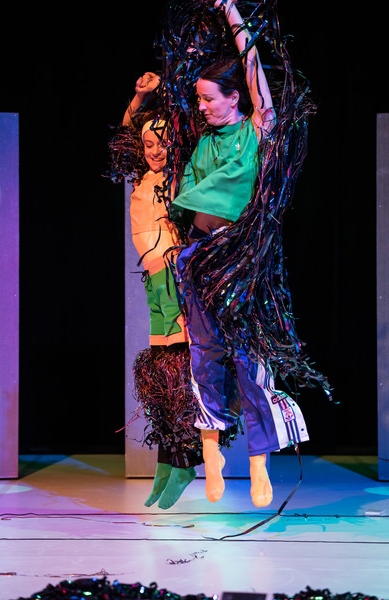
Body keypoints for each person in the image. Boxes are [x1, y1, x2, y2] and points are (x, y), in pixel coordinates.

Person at [169, 0, 315, 508]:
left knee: (250, 359)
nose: (202, 107)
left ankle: (258, 461)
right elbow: (187, 202)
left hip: (241, 262)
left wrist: (232, 14)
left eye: (209, 99)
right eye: (199, 99)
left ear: (235, 99)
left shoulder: (256, 132)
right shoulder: (202, 146)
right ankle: (210, 452)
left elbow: (255, 75)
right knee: (205, 354)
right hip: (199, 256)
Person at [117, 72, 203, 509]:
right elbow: (127, 134)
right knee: (158, 368)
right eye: (149, 144)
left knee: (176, 367)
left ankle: (185, 457)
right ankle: (167, 458)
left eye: (162, 143)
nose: (154, 150)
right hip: (153, 280)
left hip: (174, 275)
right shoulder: (141, 174)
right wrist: (139, 97)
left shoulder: (178, 176)